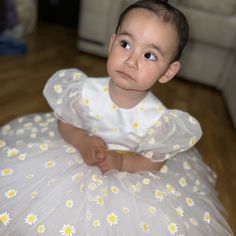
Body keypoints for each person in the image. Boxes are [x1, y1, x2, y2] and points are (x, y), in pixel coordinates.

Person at [0, 0, 234, 235]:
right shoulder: (85, 91)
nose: (131, 61)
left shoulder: (158, 121)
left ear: (168, 72)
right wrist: (81, 141)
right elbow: (66, 123)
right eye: (125, 44)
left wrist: (121, 162)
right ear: (112, 43)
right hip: (73, 157)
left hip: (128, 176)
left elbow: (152, 162)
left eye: (150, 56)